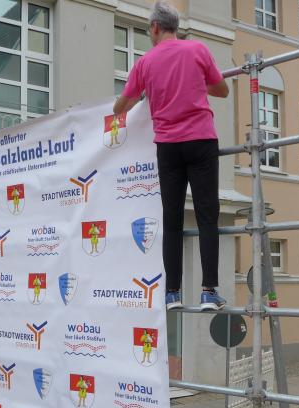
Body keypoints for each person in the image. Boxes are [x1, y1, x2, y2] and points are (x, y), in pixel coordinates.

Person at [113, 1, 229, 312]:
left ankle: (172, 294)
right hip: (201, 140)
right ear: (175, 26)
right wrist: (195, 82)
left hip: (168, 146)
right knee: (207, 216)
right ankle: (208, 292)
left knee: (172, 219)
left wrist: (143, 93)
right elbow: (222, 90)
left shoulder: (145, 62)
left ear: (154, 27)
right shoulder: (198, 50)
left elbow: (121, 106)